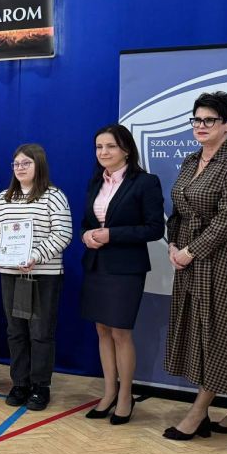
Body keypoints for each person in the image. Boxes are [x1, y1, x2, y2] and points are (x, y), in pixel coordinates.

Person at [162, 91, 227, 441]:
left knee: (220, 331)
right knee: (201, 329)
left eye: (209, 120)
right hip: (187, 258)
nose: (201, 125)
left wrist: (191, 251)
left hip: (223, 260)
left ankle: (198, 413)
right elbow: (178, 209)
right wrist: (173, 244)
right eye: (197, 119)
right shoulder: (190, 160)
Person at [79, 124, 164, 423]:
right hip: (97, 265)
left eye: (110, 146)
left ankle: (126, 396)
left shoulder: (145, 182)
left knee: (120, 333)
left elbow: (154, 228)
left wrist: (111, 235)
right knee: (102, 331)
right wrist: (86, 235)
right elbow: (87, 223)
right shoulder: (95, 182)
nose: (103, 152)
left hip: (126, 268)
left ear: (126, 149)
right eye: (99, 147)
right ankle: (108, 393)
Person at [0, 144, 72, 411]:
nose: (20, 168)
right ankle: (20, 383)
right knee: (16, 331)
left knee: (41, 333)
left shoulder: (54, 196)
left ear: (39, 165)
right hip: (11, 275)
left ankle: (40, 386)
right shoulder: (4, 198)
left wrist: (35, 256)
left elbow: (63, 233)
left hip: (43, 276)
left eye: (26, 163)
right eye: (16, 164)